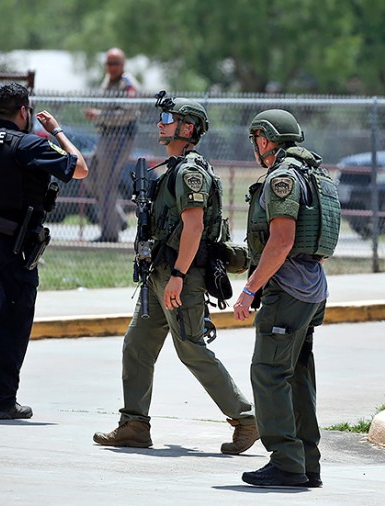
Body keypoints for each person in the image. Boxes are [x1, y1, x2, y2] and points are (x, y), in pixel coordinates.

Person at [93, 94, 259, 454]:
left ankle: (246, 419)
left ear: (187, 128)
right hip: (160, 273)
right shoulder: (174, 167)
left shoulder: (189, 172)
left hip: (179, 275)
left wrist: (180, 275)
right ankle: (135, 423)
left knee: (191, 350)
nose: (160, 122)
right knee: (137, 345)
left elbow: (194, 226)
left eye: (168, 117)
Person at [0, 83, 88, 420]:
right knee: (12, 317)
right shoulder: (26, 144)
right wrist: (58, 131)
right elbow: (79, 167)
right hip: (11, 245)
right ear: (23, 111)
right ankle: (3, 400)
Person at [234, 109, 340, 487]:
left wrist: (249, 290)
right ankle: (307, 464)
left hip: (289, 289)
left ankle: (285, 462)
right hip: (313, 287)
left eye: (256, 140)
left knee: (268, 372)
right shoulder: (315, 175)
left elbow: (281, 240)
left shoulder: (283, 177)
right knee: (297, 376)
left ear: (265, 139)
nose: (255, 147)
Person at [83, 48, 140, 242]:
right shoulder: (107, 80)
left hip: (120, 135)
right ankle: (117, 218)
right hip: (105, 135)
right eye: (109, 63)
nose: (112, 67)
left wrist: (100, 115)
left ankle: (109, 234)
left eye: (116, 63)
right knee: (89, 175)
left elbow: (127, 113)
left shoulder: (128, 83)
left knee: (106, 183)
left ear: (123, 65)